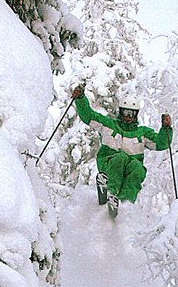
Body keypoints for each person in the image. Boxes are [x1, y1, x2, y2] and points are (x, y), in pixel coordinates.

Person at [70, 84, 172, 217]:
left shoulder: (142, 133)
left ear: (136, 114)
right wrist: (80, 99)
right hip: (109, 163)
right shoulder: (109, 125)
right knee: (121, 158)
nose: (128, 117)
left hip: (129, 170)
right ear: (121, 112)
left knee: (138, 169)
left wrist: (165, 129)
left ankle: (123, 204)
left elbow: (161, 143)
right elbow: (88, 116)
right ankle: (110, 191)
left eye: (131, 114)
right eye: (126, 113)